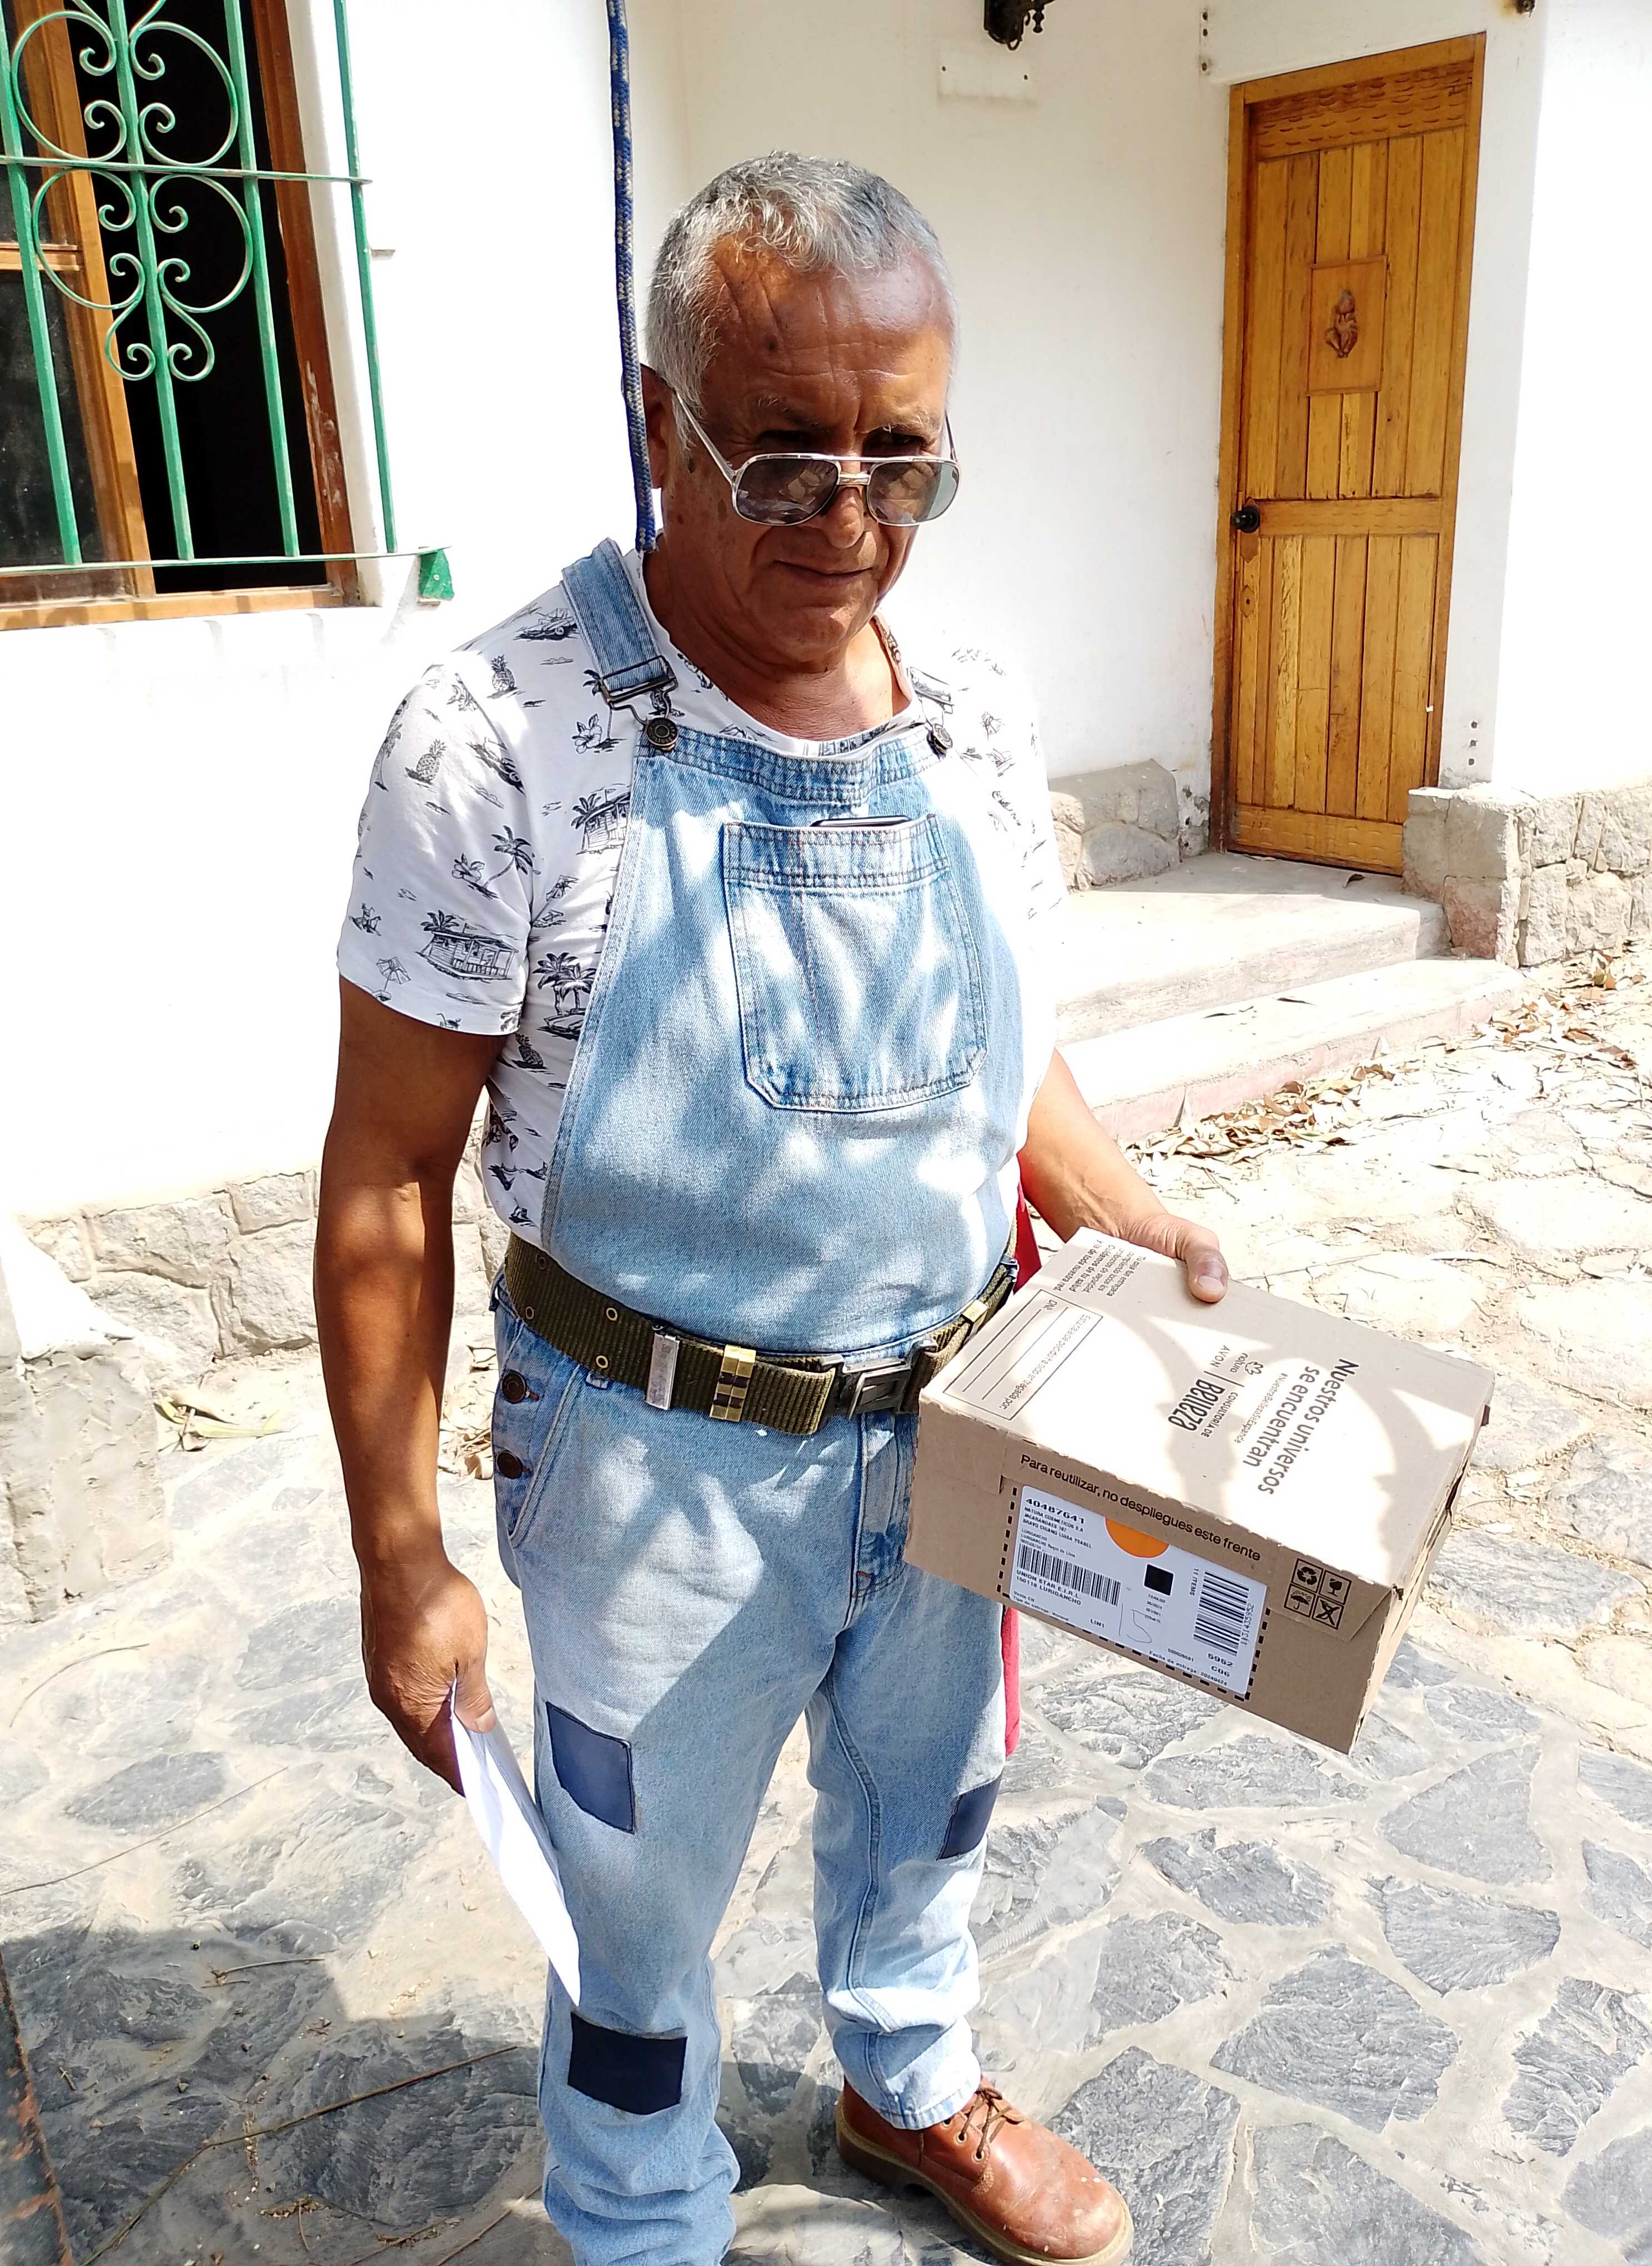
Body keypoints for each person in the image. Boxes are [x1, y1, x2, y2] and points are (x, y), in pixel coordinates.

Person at [317, 152, 1227, 2266]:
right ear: (659, 421)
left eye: (904, 462)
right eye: (786, 456)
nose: (851, 522)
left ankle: (907, 2079)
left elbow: (1000, 1056)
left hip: (956, 1433)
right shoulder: (498, 739)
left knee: (932, 1815)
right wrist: (399, 1557)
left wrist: (1135, 1217)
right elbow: (383, 1182)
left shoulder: (971, 704)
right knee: (631, 1919)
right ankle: (643, 2212)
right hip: (654, 1474)